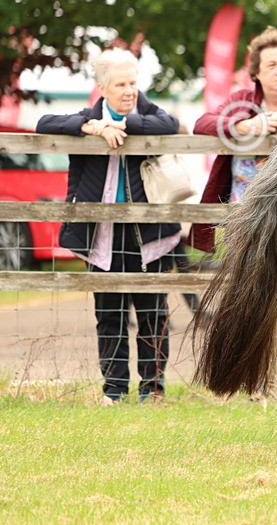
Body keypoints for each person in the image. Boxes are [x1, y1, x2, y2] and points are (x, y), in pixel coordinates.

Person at [36, 48, 182, 404]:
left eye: (133, 82)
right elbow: (44, 124)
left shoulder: (147, 113)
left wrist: (124, 125)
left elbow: (170, 125)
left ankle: (152, 389)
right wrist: (91, 127)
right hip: (102, 233)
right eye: (120, 84)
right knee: (110, 314)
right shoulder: (89, 117)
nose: (129, 90)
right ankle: (114, 390)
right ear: (102, 87)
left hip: (148, 231)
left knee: (153, 314)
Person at [191, 27, 277, 388]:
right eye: (271, 64)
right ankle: (255, 378)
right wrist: (244, 124)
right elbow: (202, 122)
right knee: (250, 294)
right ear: (256, 72)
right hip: (246, 220)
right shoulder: (241, 100)